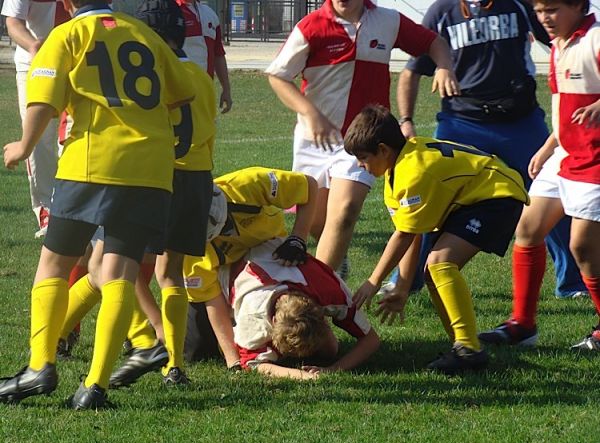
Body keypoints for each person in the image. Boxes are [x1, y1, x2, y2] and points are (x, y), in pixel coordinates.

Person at [0, 0, 194, 409]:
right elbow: (182, 95)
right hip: (151, 169)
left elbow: (44, 102)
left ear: (68, 3)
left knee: (53, 263)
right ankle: (94, 388)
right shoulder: (144, 34)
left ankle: (40, 366)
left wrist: (24, 145)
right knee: (120, 273)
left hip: (92, 162)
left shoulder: (67, 34)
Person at [394, 0, 587, 300]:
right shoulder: (442, 11)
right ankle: (405, 279)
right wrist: (406, 120)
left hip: (519, 121)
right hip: (462, 121)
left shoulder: (520, 5)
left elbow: (561, 38)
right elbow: (412, 71)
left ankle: (573, 282)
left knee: (553, 196)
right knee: (430, 198)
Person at [265, 0, 459, 279]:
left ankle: (318, 293)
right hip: (315, 140)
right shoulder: (311, 26)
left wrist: (443, 66)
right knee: (316, 223)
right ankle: (335, 264)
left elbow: (433, 42)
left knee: (344, 210)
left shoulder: (388, 20)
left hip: (363, 141)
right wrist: (311, 112)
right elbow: (277, 76)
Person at [346, 105, 529, 374]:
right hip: (471, 199)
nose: (360, 165)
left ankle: (468, 350)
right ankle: (463, 346)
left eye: (363, 157)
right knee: (434, 270)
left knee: (440, 263)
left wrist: (374, 281)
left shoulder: (414, 172)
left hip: (496, 195)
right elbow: (412, 232)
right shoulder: (397, 169)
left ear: (383, 150)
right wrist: (403, 286)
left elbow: (404, 236)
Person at [104, 167, 318, 387]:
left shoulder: (250, 185)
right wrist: (232, 360)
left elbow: (309, 186)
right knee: (196, 348)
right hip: (224, 274)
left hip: (270, 255)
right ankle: (147, 336)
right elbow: (211, 298)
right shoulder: (193, 251)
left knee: (298, 317)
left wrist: (298, 238)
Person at [480, 0, 600, 349]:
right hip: (565, 155)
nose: (544, 18)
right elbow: (565, 104)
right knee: (528, 229)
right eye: (540, 9)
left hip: (594, 161)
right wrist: (549, 146)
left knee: (583, 248)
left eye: (552, 9)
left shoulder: (594, 39)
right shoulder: (558, 45)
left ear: (578, 6)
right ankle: (522, 324)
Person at [223, 239, 380, 379]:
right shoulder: (252, 315)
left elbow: (371, 340)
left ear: (320, 310)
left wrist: (333, 369)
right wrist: (303, 376)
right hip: (227, 265)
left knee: (331, 350)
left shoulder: (330, 292)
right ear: (272, 322)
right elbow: (253, 364)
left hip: (266, 245)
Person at [1, 0, 69, 236]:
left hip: (78, 64)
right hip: (34, 66)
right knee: (39, 139)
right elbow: (13, 22)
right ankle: (46, 211)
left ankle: (74, 207)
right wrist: (35, 47)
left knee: (74, 135)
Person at [176, 0, 232, 113]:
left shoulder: (209, 13)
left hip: (206, 92)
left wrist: (226, 88)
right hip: (179, 93)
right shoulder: (168, 11)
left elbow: (218, 54)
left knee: (206, 129)